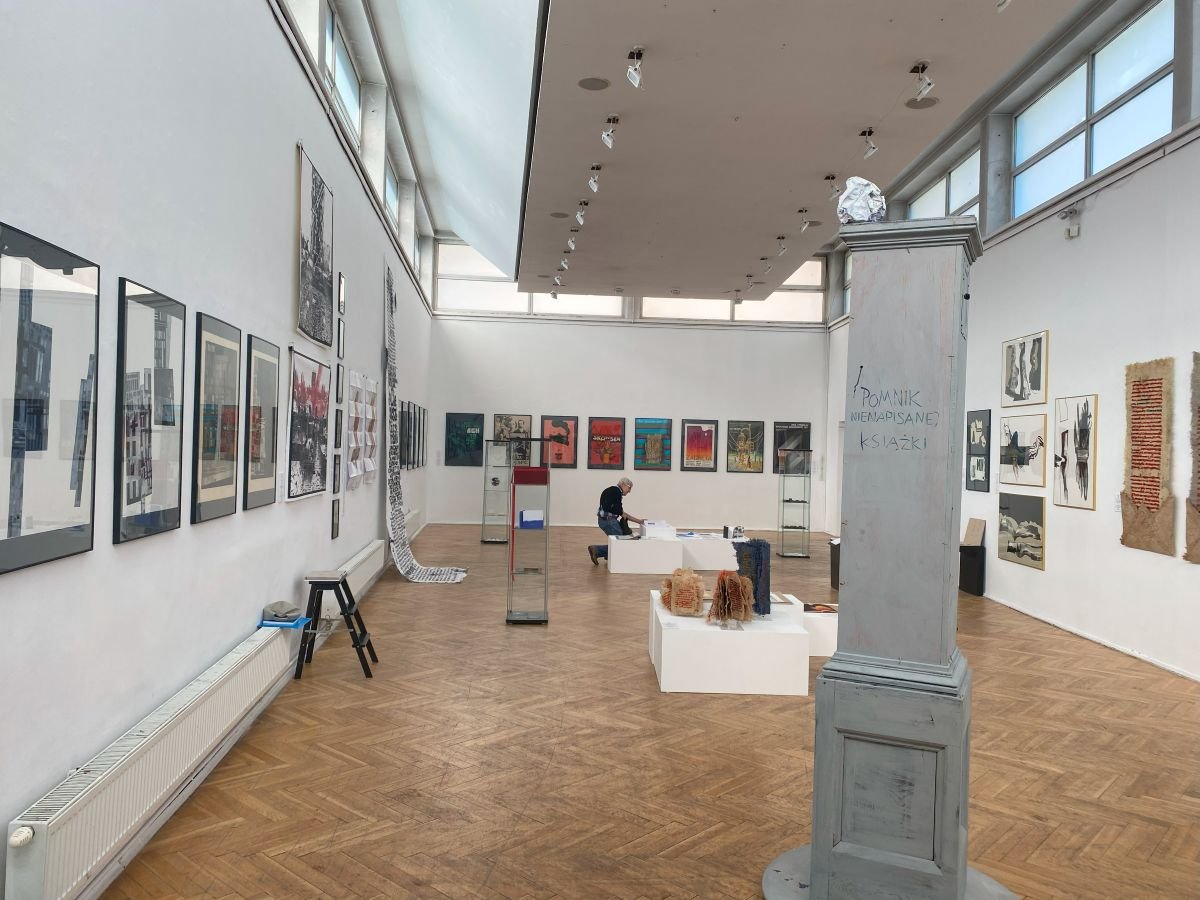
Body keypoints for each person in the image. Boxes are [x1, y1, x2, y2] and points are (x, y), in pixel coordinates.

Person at [588, 477, 644, 565]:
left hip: (605, 521)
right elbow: (619, 511)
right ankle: (597, 550)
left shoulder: (613, 491)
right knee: (620, 543)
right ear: (623, 484)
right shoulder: (616, 492)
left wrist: (639, 521)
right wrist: (638, 521)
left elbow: (621, 512)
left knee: (618, 542)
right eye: (629, 488)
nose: (629, 491)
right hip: (609, 522)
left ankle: (607, 555)